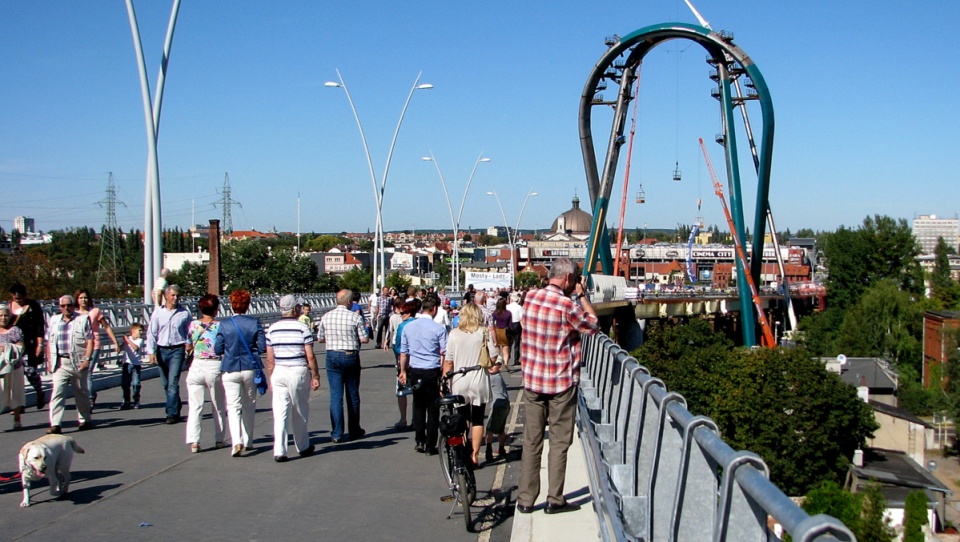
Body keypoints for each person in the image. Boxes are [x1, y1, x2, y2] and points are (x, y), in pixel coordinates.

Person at [516, 258, 599, 515]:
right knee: (559, 443)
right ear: (568, 279)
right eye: (573, 280)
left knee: (532, 441)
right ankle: (555, 498)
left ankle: (526, 499)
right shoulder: (567, 306)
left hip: (532, 381)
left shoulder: (530, 297)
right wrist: (582, 297)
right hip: (561, 382)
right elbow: (593, 325)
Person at [265, 295, 321, 462]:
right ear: (295, 309)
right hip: (297, 370)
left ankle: (280, 450)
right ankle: (302, 445)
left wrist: (271, 378)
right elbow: (309, 355)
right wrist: (316, 374)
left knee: (280, 412)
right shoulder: (302, 328)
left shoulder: (272, 329)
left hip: (279, 370)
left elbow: (269, 359)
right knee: (299, 409)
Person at [443, 302, 498, 467]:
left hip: (459, 379)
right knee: (478, 418)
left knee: (463, 417)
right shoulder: (483, 332)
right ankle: (475, 454)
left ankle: (464, 449)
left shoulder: (453, 334)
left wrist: (444, 382)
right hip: (478, 378)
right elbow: (494, 357)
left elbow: (448, 362)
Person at [215, 290, 266, 457]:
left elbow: (217, 348)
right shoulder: (254, 323)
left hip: (230, 367)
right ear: (248, 305)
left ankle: (236, 441)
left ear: (231, 304)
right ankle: (248, 439)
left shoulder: (225, 324)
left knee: (233, 406)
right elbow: (262, 347)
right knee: (249, 405)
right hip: (249, 367)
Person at [317, 289, 368, 443]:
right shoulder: (354, 317)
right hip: (350, 355)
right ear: (349, 302)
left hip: (332, 355)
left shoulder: (326, 317)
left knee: (335, 395)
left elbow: (320, 338)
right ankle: (354, 429)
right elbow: (364, 339)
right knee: (352, 394)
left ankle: (337, 432)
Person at [398, 295, 447, 454]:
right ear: (434, 309)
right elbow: (444, 352)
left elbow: (404, 353)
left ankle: (419, 439)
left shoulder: (408, 327)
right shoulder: (438, 329)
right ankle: (430, 443)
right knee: (433, 408)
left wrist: (403, 371)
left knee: (418, 405)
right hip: (432, 370)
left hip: (415, 370)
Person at [45, 294, 95, 434]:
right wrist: (48, 361)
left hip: (77, 361)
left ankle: (84, 419)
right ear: (59, 307)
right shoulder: (54, 320)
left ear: (74, 306)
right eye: (63, 306)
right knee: (57, 392)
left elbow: (90, 340)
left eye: (69, 305)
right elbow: (48, 342)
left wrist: (87, 359)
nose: (66, 308)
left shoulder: (82, 319)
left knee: (81, 392)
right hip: (60, 362)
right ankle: (55, 424)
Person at [145, 284, 193, 424]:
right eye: (172, 295)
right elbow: (152, 333)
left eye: (177, 295)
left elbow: (190, 330)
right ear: (166, 296)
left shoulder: (184, 313)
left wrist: (189, 343)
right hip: (162, 350)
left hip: (177, 350)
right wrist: (151, 351)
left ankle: (171, 413)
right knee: (165, 384)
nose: (175, 298)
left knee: (173, 383)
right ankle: (176, 404)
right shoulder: (158, 313)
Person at [185, 295, 226, 453]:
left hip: (196, 365)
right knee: (218, 405)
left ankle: (194, 441)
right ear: (216, 309)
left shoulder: (194, 325)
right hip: (214, 365)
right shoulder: (220, 326)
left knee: (195, 406)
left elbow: (188, 346)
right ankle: (219, 438)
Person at [75, 289, 121, 408]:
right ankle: (90, 393)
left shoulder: (95, 311)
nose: (83, 300)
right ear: (77, 300)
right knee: (80, 373)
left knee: (88, 371)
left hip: (94, 345)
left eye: (85, 298)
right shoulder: (74, 314)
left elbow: (106, 326)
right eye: (81, 298)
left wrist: (115, 342)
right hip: (80, 346)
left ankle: (89, 398)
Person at [9, 283, 46, 409]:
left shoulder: (32, 306)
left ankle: (39, 391)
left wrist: (40, 344)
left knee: (29, 371)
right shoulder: (8, 307)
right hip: (12, 345)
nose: (18, 299)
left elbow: (39, 326)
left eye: (20, 297)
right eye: (15, 297)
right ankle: (18, 404)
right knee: (14, 374)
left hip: (29, 344)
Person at [389, 298, 419, 430]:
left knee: (402, 391)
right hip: (418, 361)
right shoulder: (419, 324)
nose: (400, 316)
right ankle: (415, 419)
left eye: (402, 314)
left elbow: (399, 347)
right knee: (417, 392)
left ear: (407, 313)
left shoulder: (403, 326)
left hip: (405, 362)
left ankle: (403, 418)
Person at [0, 303, 26, 430]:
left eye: (6, 315)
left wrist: (7, 348)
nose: (4, 318)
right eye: (1, 316)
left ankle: (17, 419)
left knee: (15, 393)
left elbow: (21, 347)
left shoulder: (15, 330)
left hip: (14, 366)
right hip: (0, 368)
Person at [485, 365, 511, 462]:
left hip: (497, 406)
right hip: (505, 404)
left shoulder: (492, 377)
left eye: (494, 365)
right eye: (489, 365)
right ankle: (501, 448)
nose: (490, 367)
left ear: (499, 367)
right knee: (500, 429)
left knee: (489, 429)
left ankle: (488, 450)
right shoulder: (498, 376)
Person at [120, 322, 145, 410]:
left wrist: (127, 340)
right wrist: (120, 343)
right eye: (139, 330)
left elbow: (136, 348)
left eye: (142, 331)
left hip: (136, 365)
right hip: (127, 364)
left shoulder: (140, 340)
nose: (141, 332)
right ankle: (126, 401)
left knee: (136, 384)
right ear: (133, 331)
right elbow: (120, 349)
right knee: (125, 384)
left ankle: (136, 400)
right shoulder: (128, 340)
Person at [491, 297, 511, 364]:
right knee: (505, 349)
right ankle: (505, 362)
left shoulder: (495, 313)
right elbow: (510, 325)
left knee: (497, 347)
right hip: (505, 331)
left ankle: (497, 362)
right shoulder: (508, 313)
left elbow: (492, 323)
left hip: (497, 330)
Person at [506, 292, 523, 367]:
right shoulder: (519, 307)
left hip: (509, 325)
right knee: (517, 343)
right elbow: (521, 318)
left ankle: (507, 357)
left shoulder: (507, 307)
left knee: (509, 343)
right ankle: (516, 359)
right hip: (516, 324)